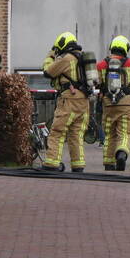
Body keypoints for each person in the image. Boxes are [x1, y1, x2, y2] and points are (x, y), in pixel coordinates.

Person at [41, 31, 92, 172]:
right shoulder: (82, 58)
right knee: (76, 134)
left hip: (69, 100)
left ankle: (51, 163)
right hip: (84, 101)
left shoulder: (67, 58)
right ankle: (78, 165)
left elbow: (48, 72)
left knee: (57, 131)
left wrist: (50, 56)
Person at [96, 35, 130, 171]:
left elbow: (95, 82)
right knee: (125, 132)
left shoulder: (102, 65)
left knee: (109, 134)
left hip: (108, 104)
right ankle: (121, 153)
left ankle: (108, 163)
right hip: (127, 104)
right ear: (126, 48)